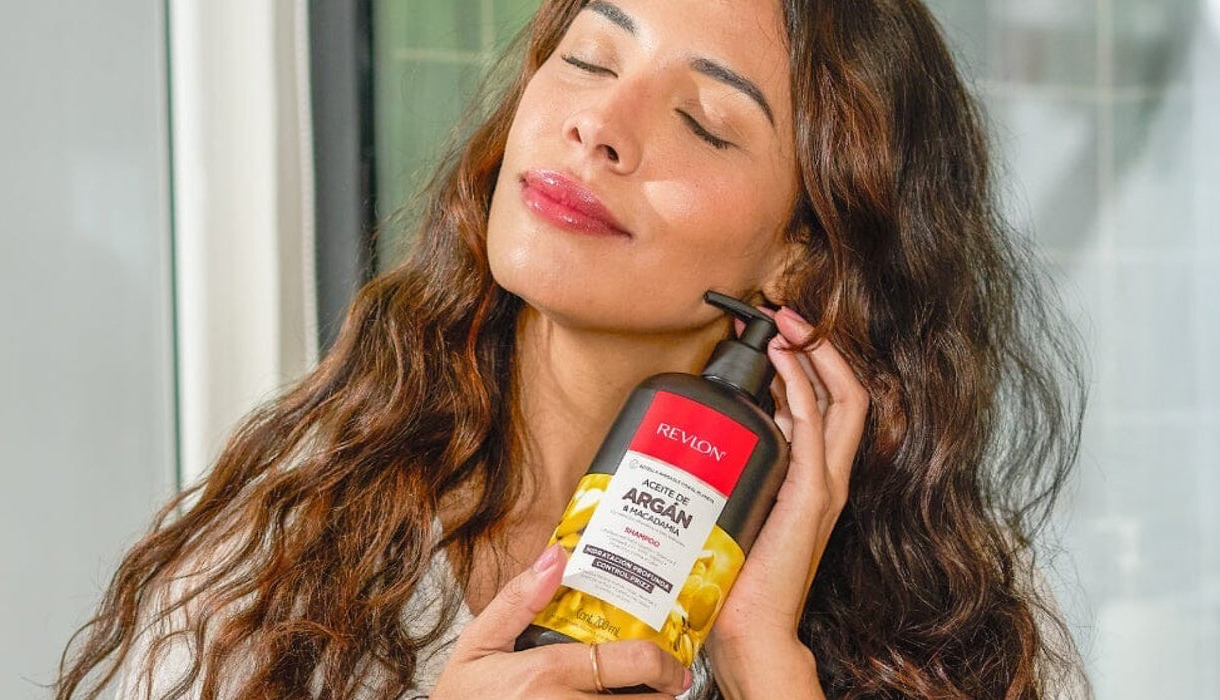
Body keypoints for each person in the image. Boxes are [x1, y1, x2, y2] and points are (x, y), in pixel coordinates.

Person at [55, 0, 1088, 697]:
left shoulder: (951, 629)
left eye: (703, 121)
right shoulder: (272, 566)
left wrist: (763, 661)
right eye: (589, 58)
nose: (598, 123)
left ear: (802, 254)